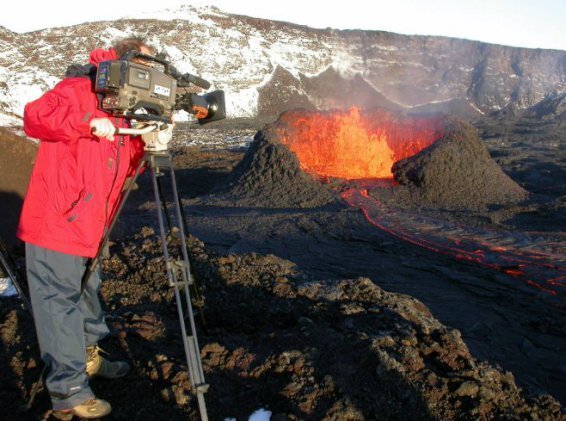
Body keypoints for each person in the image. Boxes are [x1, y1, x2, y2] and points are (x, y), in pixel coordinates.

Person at [18, 37, 156, 418]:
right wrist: (85, 122)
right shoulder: (78, 88)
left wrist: (146, 142)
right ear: (123, 59)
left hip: (92, 225)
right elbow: (34, 116)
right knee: (58, 302)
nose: (148, 76)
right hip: (57, 219)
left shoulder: (127, 107)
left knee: (87, 293)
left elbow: (122, 169)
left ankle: (89, 357)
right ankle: (70, 391)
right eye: (143, 65)